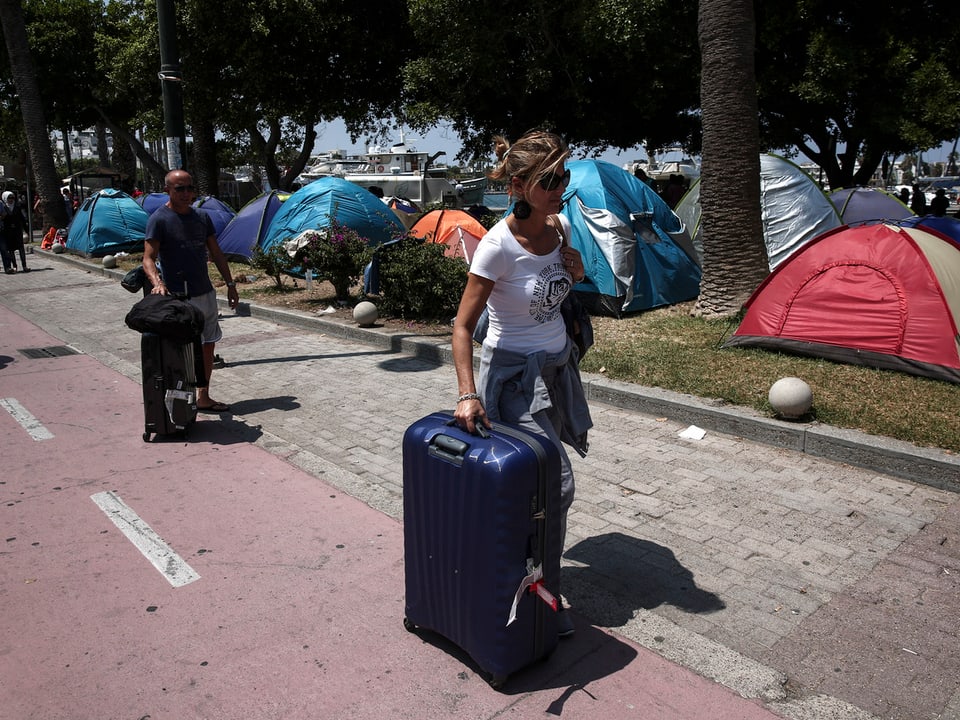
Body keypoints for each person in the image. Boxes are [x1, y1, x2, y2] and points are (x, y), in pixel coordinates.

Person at [451, 130, 592, 640]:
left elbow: (554, 292)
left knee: (532, 489)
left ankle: (526, 573)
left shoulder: (561, 225)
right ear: (518, 184)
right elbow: (463, 326)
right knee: (555, 484)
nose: (561, 187)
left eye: (564, 176)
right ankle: (543, 589)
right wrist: (467, 393)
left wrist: (574, 269)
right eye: (549, 180)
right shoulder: (496, 246)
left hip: (558, 369)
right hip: (514, 378)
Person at [142, 170, 239, 413]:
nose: (186, 194)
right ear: (168, 190)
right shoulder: (159, 219)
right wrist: (157, 281)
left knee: (208, 345)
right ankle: (178, 398)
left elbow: (216, 253)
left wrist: (230, 284)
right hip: (177, 297)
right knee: (179, 347)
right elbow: (148, 258)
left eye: (189, 188)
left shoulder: (201, 217)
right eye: (179, 189)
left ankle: (203, 396)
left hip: (204, 292)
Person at [0, 191, 28, 273]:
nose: (11, 200)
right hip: (7, 231)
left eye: (12, 197)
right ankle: (14, 266)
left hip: (17, 231)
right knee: (11, 250)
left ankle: (24, 266)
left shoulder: (17, 206)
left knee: (21, 249)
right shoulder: (4, 207)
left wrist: (26, 230)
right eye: (9, 198)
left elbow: (22, 219)